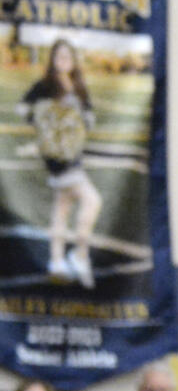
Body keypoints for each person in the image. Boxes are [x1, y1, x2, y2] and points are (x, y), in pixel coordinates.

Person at [16, 38, 102, 287]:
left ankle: (56, 261)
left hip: (73, 153)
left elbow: (89, 117)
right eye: (59, 55)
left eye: (67, 55)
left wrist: (80, 122)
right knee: (92, 200)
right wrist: (45, 122)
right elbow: (24, 108)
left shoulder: (78, 86)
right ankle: (79, 254)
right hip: (57, 157)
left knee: (61, 208)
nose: (63, 59)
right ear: (53, 59)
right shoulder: (45, 85)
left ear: (73, 60)